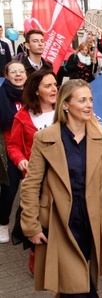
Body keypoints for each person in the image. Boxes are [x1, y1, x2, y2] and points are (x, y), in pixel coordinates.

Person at [20, 79, 102, 296]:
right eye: (82, 100)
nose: (89, 104)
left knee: (74, 283)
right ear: (65, 105)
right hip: (58, 222)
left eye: (90, 99)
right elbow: (31, 185)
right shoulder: (45, 138)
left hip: (91, 221)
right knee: (79, 289)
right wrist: (30, 225)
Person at [7, 68, 57, 273]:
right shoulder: (23, 116)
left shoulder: (64, 110)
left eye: (55, 84)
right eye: (48, 85)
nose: (54, 88)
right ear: (36, 90)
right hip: (36, 181)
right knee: (38, 223)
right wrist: (20, 160)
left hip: (62, 178)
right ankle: (37, 265)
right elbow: (13, 146)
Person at [0, 62, 27, 243]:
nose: (18, 74)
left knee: (33, 192)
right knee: (9, 191)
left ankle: (23, 227)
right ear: (7, 75)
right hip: (9, 149)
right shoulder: (1, 94)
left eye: (21, 71)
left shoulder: (34, 94)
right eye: (13, 72)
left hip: (31, 149)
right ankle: (2, 224)